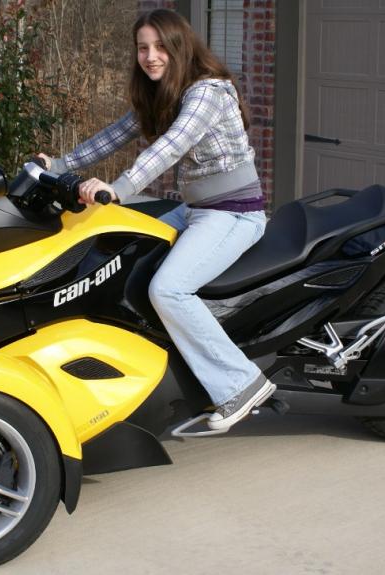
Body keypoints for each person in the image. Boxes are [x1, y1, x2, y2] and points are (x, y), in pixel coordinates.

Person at [38, 8, 275, 430]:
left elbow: (170, 147)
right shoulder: (162, 90)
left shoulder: (207, 91)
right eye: (143, 48)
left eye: (160, 46)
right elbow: (114, 135)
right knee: (125, 253)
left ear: (179, 47)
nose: (151, 56)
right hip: (198, 210)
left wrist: (119, 189)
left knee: (169, 290)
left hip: (235, 215)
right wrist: (58, 164)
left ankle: (241, 384)